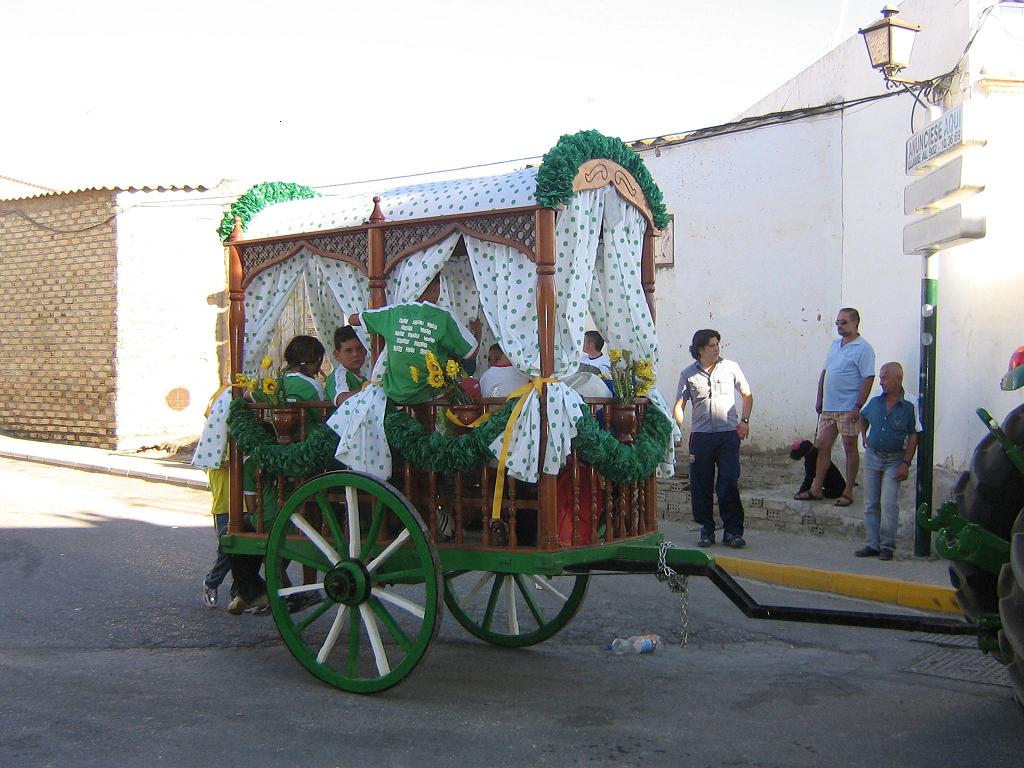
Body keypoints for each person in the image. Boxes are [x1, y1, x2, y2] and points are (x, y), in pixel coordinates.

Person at [673, 329, 753, 548]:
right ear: (700, 349)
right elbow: (680, 404)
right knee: (701, 484)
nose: (716, 348)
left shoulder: (731, 368)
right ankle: (706, 530)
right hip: (701, 438)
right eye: (711, 345)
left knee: (728, 481)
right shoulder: (688, 374)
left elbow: (747, 394)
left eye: (717, 344)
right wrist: (677, 431)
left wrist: (744, 421)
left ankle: (733, 531)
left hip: (728, 435)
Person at [348, 275, 479, 404]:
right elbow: (471, 353)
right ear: (437, 287)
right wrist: (478, 331)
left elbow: (352, 319)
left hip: (394, 394)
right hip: (432, 396)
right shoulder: (444, 316)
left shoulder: (393, 312)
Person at [796, 308, 875, 507]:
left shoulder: (864, 348)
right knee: (822, 446)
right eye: (838, 323)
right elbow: (825, 372)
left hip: (848, 407)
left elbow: (868, 377)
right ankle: (816, 488)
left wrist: (858, 405)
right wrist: (820, 397)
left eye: (844, 322)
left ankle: (848, 490)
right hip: (829, 407)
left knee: (849, 447)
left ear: (856, 323)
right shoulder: (834, 345)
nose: (840, 326)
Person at [856, 362, 918, 561]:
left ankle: (887, 546)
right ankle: (872, 544)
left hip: (894, 458)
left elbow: (914, 434)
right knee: (870, 502)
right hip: (874, 454)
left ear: (897, 379)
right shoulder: (876, 399)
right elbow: (862, 417)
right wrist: (863, 435)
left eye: (884, 377)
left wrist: (906, 463)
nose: (881, 381)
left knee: (889, 502)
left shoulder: (909, 404)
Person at [325, 325, 367, 406]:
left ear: (365, 350)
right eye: (349, 350)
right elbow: (342, 400)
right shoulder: (339, 375)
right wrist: (370, 389)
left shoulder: (364, 379)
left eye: (359, 348)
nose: (355, 354)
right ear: (337, 355)